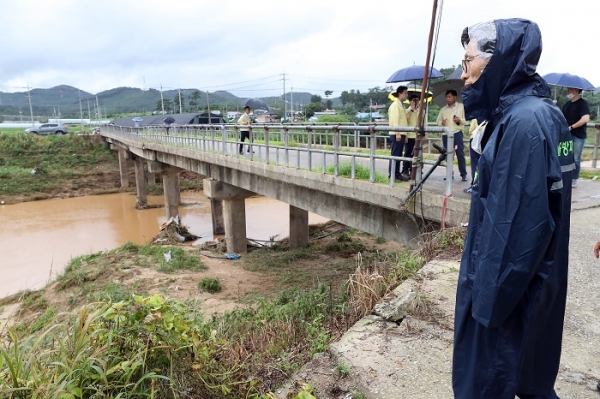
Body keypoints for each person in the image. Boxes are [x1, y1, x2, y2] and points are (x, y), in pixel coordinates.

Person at [453, 19, 574, 399]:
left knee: (489, 379)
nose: (463, 74)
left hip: (507, 293)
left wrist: (482, 308)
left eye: (467, 61)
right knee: (530, 375)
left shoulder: (522, 124)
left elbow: (513, 229)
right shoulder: (546, 113)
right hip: (539, 280)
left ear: (497, 60)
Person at [562, 87, 590, 188]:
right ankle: (565, 177)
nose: (568, 91)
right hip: (566, 136)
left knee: (576, 158)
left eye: (570, 89)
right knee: (565, 157)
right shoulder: (567, 105)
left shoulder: (583, 104)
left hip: (578, 135)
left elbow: (585, 118)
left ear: (577, 90)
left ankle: (574, 179)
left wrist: (572, 127)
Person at [437, 90, 467, 181]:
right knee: (447, 154)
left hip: (457, 133)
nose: (447, 99)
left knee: (460, 154)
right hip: (446, 134)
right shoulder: (443, 109)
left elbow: (465, 120)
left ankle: (463, 174)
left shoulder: (461, 107)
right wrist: (442, 122)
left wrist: (459, 120)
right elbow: (438, 122)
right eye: (446, 97)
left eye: (449, 97)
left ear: (454, 97)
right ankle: (450, 173)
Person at [388, 86, 409, 181]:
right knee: (395, 154)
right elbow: (395, 120)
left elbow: (404, 120)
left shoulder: (401, 105)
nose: (407, 95)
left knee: (398, 155)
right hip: (397, 133)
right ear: (400, 94)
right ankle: (392, 174)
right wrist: (398, 133)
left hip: (401, 133)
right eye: (405, 93)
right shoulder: (395, 105)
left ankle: (396, 173)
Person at [463, 118, 482, 193]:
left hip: (475, 140)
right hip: (488, 139)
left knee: (475, 164)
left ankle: (475, 186)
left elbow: (471, 130)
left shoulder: (477, 116)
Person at [402, 94, 420, 177]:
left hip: (418, 136)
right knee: (408, 153)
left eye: (417, 100)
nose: (415, 102)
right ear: (410, 102)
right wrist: (412, 110)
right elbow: (405, 121)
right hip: (409, 136)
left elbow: (424, 122)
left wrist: (425, 134)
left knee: (417, 154)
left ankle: (414, 170)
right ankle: (405, 170)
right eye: (413, 100)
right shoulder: (407, 111)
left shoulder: (421, 111)